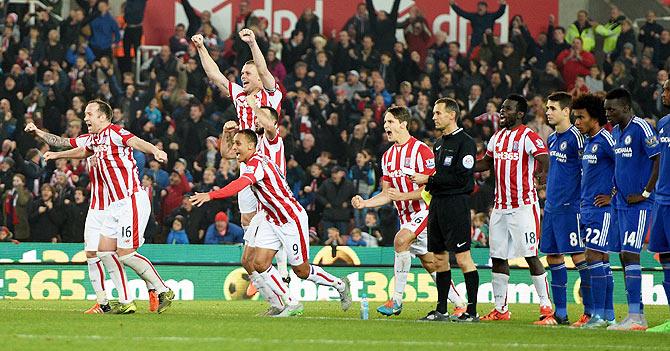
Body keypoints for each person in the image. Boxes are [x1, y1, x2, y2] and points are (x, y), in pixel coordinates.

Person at [26, 100, 174, 315]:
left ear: (103, 116)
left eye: (89, 114)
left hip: (131, 199)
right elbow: (66, 143)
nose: (85, 118)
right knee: (104, 252)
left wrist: (155, 151)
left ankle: (162, 288)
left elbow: (136, 141)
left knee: (125, 254)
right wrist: (42, 137)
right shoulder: (93, 140)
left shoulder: (115, 132)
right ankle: (125, 302)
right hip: (115, 205)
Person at [190, 129, 352, 317]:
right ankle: (289, 303)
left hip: (290, 219)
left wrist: (210, 195)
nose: (234, 148)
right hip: (271, 218)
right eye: (234, 144)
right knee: (259, 263)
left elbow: (239, 185)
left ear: (251, 146)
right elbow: (231, 161)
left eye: (238, 144)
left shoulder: (257, 164)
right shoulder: (253, 162)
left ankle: (340, 284)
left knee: (301, 270)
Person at [351, 106, 467, 319]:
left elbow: (431, 186)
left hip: (426, 212)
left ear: (403, 124)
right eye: (385, 123)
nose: (386, 127)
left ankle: (396, 300)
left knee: (400, 240)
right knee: (430, 263)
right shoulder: (387, 157)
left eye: (390, 122)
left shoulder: (421, 150)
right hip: (407, 218)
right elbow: (387, 194)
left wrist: (403, 197)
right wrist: (365, 203)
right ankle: (460, 303)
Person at [474, 94, 553, 322]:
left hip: (523, 206)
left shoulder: (528, 136)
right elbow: (487, 163)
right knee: (498, 257)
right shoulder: (497, 137)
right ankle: (501, 309)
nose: (502, 112)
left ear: (519, 114)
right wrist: (466, 166)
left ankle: (546, 308)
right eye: (501, 108)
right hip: (499, 207)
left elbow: (545, 158)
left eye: (507, 109)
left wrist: (544, 176)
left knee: (530, 256)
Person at [410, 98, 480, 322]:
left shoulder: (466, 143)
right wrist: (429, 182)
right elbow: (440, 179)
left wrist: (428, 179)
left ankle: (472, 310)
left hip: (456, 204)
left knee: (462, 259)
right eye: (433, 113)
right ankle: (441, 309)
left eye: (438, 113)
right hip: (437, 205)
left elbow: (462, 177)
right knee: (439, 258)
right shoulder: (438, 144)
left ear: (452, 115)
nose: (434, 117)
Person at [605, 88, 660, 331]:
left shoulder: (642, 128)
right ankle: (635, 314)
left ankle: (636, 317)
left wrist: (646, 193)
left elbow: (659, 160)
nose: (608, 113)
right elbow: (621, 165)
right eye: (606, 109)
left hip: (639, 204)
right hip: (620, 204)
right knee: (622, 255)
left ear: (626, 108)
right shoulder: (616, 131)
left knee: (631, 254)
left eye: (612, 109)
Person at [536, 92, 589, 326]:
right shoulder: (552, 139)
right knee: (554, 257)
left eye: (553, 108)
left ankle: (590, 311)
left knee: (579, 257)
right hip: (552, 207)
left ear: (566, 111)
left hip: (571, 207)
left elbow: (586, 170)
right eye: (547, 108)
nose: (548, 112)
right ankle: (560, 313)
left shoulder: (577, 137)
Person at [572, 93, 617, 328]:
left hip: (602, 210)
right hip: (587, 208)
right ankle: (608, 315)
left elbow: (625, 165)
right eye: (575, 117)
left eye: (581, 117)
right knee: (602, 260)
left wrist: (612, 194)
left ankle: (598, 315)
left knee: (593, 257)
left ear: (595, 118)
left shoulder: (606, 140)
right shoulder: (588, 142)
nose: (577, 122)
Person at [647, 79, 670, 333]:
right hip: (661, 201)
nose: (663, 94)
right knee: (665, 257)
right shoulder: (663, 124)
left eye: (667, 89)